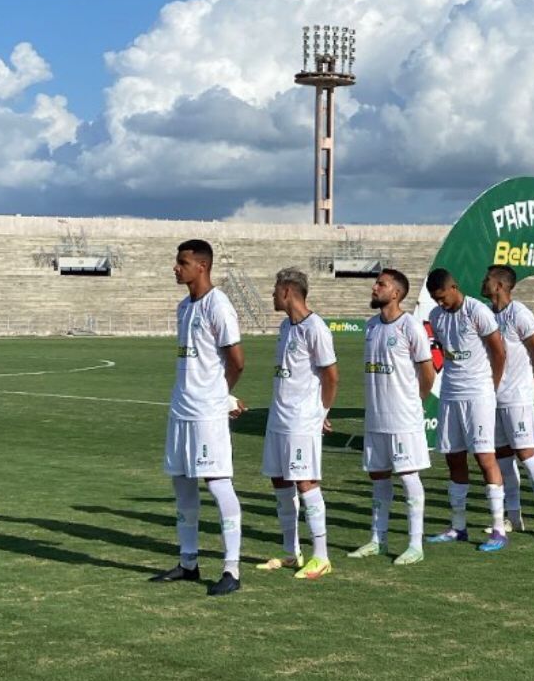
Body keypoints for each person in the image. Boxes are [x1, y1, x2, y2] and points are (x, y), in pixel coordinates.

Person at [150, 239, 247, 596]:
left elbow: (237, 360)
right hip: (180, 409)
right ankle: (188, 562)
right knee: (182, 484)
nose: (176, 268)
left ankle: (232, 569)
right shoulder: (183, 307)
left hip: (207, 413)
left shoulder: (218, 305)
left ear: (201, 266)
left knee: (218, 484)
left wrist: (221, 396)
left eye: (182, 262)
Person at [348, 269, 436, 566]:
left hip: (403, 418)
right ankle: (377, 538)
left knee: (409, 476)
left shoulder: (410, 325)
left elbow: (427, 372)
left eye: (381, 284)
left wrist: (415, 403)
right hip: (376, 418)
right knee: (379, 478)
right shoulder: (371, 326)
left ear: (395, 293)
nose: (375, 288)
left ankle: (415, 543)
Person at [256, 268, 339, 580]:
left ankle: (321, 556)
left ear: (288, 290)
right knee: (279, 482)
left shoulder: (315, 328)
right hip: (278, 418)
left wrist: (322, 412)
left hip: (302, 420)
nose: (272, 294)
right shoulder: (285, 326)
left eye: (275, 288)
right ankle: (291, 553)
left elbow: (331, 376)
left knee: (305, 483)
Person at [424, 268, 509, 552]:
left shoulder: (477, 311)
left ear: (454, 287)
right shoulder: (436, 317)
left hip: (478, 394)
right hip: (450, 394)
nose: (440, 304)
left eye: (442, 297)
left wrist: (491, 387)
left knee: (485, 458)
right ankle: (458, 526)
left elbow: (499, 352)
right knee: (454, 459)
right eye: (435, 300)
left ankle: (498, 529)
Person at [480, 265, 534, 541]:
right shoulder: (488, 314)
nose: (483, 282)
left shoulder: (520, 314)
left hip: (517, 398)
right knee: (503, 460)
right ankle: (513, 517)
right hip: (494, 398)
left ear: (500, 285)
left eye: (488, 279)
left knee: (527, 456)